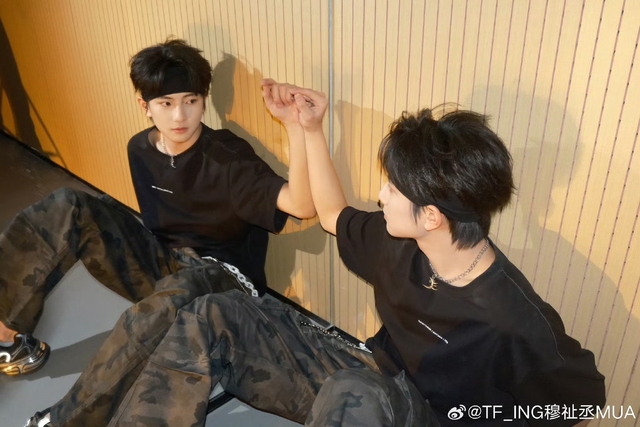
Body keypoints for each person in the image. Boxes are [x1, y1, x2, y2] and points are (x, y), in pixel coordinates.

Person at [93, 81, 607, 427]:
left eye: (392, 189)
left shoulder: (511, 319)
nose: (381, 196)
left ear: (431, 216)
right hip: (370, 376)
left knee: (352, 394)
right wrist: (309, 128)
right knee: (214, 314)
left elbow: (585, 402)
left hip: (411, 412)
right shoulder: (399, 242)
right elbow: (334, 214)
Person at [8, 40, 314, 425]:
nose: (179, 115)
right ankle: (4, 334)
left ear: (203, 101)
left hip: (225, 281)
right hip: (169, 266)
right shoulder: (140, 149)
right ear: (145, 106)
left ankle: (64, 421)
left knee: (165, 303)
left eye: (191, 101)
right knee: (70, 204)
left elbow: (302, 205)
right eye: (166, 103)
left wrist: (297, 128)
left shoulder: (228, 158)